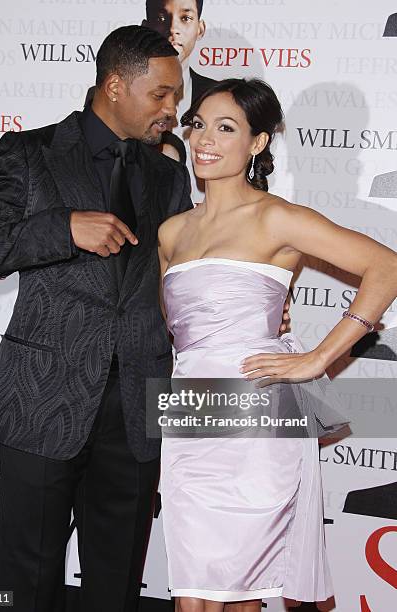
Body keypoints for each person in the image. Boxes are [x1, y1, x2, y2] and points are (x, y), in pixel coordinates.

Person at [0, 25, 189, 612]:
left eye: (176, 97)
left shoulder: (168, 176)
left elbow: (177, 278)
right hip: (41, 399)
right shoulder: (29, 153)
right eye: (161, 94)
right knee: (25, 581)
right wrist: (62, 229)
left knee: (117, 582)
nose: (172, 111)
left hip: (136, 405)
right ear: (114, 86)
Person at [157, 78, 397, 611]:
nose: (204, 140)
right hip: (191, 414)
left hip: (259, 415)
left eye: (226, 128)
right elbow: (180, 329)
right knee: (191, 589)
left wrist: (316, 360)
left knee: (246, 591)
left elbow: (386, 267)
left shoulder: (276, 217)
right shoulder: (171, 232)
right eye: (197, 125)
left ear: (258, 143)